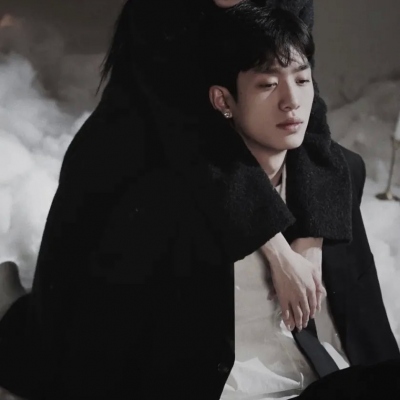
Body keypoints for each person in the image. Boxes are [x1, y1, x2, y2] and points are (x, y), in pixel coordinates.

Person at [0, 1, 396, 400]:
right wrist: (276, 250)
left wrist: (311, 241)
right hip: (148, 138)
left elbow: (298, 83)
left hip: (236, 128)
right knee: (80, 335)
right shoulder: (161, 14)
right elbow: (187, 129)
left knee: (335, 171)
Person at [199, 4, 400, 399]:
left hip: (322, 379)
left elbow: (368, 332)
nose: (291, 100)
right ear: (223, 100)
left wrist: (312, 239)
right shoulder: (184, 201)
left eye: (303, 80)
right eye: (267, 85)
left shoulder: (336, 177)